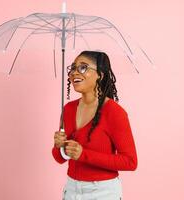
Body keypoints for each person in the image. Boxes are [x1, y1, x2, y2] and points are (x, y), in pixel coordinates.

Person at [52, 50, 138, 200]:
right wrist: (59, 147)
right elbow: (60, 158)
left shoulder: (114, 112)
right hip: (72, 189)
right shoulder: (68, 109)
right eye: (73, 68)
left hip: (102, 192)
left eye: (83, 67)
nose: (74, 73)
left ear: (100, 74)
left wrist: (83, 154)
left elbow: (130, 162)